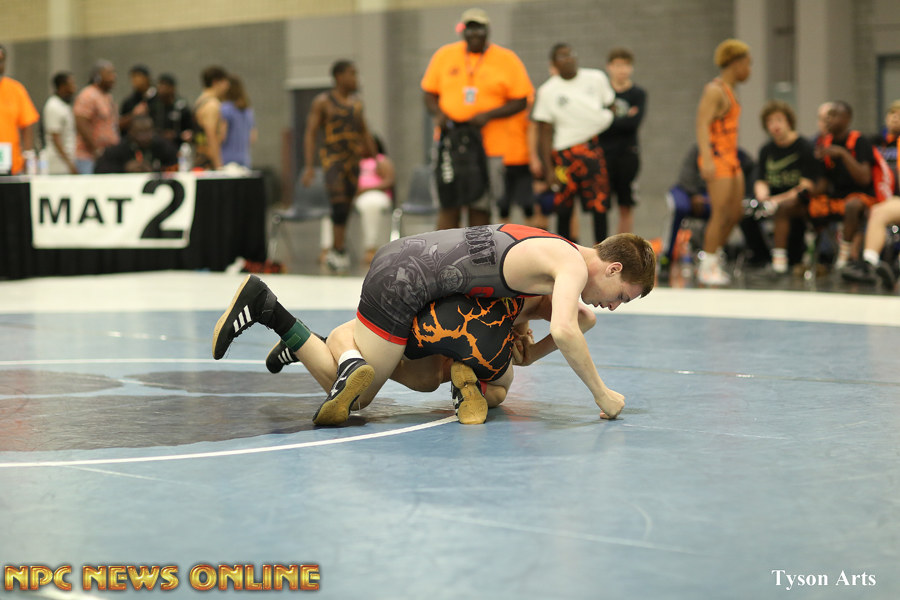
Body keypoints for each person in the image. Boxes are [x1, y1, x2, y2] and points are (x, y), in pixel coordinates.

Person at [212, 225, 657, 426]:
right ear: (613, 268)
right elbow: (565, 329)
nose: (614, 306)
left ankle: (323, 344)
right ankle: (268, 309)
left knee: (422, 377)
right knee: (358, 397)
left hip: (410, 261)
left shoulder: (556, 246)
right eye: (622, 296)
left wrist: (530, 352)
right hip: (405, 282)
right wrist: (602, 395)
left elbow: (581, 319)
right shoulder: (571, 265)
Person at [421, 7, 532, 230]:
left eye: (479, 28)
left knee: (480, 203)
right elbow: (428, 92)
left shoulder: (506, 59)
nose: (474, 34)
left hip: (489, 146)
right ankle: (444, 250)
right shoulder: (444, 55)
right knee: (449, 201)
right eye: (470, 28)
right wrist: (439, 114)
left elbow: (521, 100)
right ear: (462, 31)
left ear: (487, 31)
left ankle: (476, 250)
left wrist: (488, 115)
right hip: (450, 141)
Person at [532, 42, 615, 245]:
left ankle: (603, 254)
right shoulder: (547, 91)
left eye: (571, 54)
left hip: (592, 150)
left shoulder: (596, 78)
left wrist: (601, 119)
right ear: (553, 64)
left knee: (599, 207)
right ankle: (566, 253)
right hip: (564, 156)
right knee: (564, 208)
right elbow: (544, 132)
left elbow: (611, 106)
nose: (568, 59)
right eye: (562, 56)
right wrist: (548, 169)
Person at [302, 60, 375, 272]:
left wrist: (377, 159)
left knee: (347, 206)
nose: (356, 78)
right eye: (352, 74)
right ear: (339, 76)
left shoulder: (356, 104)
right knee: (338, 203)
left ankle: (339, 247)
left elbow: (364, 131)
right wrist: (309, 166)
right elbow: (311, 133)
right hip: (333, 160)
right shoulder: (323, 102)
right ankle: (337, 250)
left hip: (353, 161)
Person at [695, 39, 752, 285]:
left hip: (732, 159)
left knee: (735, 213)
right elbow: (701, 124)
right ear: (736, 63)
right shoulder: (714, 90)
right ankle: (707, 265)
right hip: (717, 158)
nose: (749, 70)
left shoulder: (730, 90)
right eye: (747, 64)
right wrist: (707, 160)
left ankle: (714, 255)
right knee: (719, 214)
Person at [753, 100, 820, 274]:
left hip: (800, 200)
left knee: (784, 209)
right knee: (746, 214)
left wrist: (776, 200)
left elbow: (807, 185)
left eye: (779, 120)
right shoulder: (766, 149)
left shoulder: (804, 146)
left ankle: (779, 261)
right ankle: (761, 258)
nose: (775, 125)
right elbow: (761, 180)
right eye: (770, 121)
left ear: (789, 122)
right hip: (774, 197)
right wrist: (763, 197)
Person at [811, 100, 879, 269]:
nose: (829, 119)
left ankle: (845, 255)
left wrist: (842, 154)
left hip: (863, 197)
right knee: (809, 205)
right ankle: (810, 257)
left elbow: (864, 179)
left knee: (852, 206)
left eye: (834, 115)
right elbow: (823, 181)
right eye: (827, 116)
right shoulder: (824, 143)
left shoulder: (859, 141)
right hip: (836, 197)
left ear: (847, 118)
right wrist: (807, 191)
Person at [599, 47, 647, 235]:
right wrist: (622, 118)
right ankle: (602, 247)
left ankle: (624, 246)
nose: (622, 70)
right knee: (601, 206)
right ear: (609, 67)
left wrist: (609, 118)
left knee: (626, 205)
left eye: (626, 65)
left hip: (628, 155)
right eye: (618, 65)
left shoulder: (638, 94)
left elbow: (633, 124)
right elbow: (597, 124)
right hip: (604, 155)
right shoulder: (602, 94)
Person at [73, 59, 119, 174]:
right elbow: (81, 123)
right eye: (109, 74)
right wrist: (96, 149)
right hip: (89, 157)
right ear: (97, 76)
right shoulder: (88, 95)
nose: (113, 77)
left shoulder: (106, 96)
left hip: (106, 156)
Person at [354, 135, 394, 266]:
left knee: (371, 203)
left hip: (378, 194)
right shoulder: (355, 162)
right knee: (334, 206)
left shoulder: (382, 161)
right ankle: (330, 248)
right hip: (357, 197)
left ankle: (371, 247)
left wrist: (367, 189)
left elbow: (390, 181)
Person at [0, 44, 40, 176]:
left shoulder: (16, 90)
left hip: (11, 165)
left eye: (1, 61)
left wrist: (27, 155)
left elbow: (27, 125)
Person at [94, 114, 177, 173]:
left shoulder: (163, 146)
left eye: (147, 132)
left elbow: (175, 168)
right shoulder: (119, 148)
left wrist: (154, 170)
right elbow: (99, 169)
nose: (144, 137)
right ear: (130, 132)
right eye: (139, 133)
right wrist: (124, 168)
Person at [40, 71, 78, 174]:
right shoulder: (53, 106)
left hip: (66, 161)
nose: (74, 87)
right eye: (71, 84)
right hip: (57, 164)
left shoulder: (64, 105)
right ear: (62, 86)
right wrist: (69, 164)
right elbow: (55, 137)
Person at [193, 65, 229, 170]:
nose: (227, 87)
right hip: (207, 162)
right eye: (225, 82)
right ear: (216, 82)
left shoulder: (199, 101)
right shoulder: (212, 105)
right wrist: (218, 165)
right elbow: (211, 136)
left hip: (201, 158)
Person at [220, 74, 256, 168]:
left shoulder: (225, 108)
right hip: (244, 159)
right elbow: (252, 138)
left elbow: (222, 136)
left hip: (227, 159)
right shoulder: (248, 111)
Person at [148, 73, 192, 146]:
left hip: (177, 145)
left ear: (172, 88)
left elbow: (189, 130)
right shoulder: (153, 106)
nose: (161, 89)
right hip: (157, 144)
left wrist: (177, 135)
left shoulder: (181, 107)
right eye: (159, 85)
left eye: (164, 86)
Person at [119, 64, 154, 134]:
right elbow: (119, 126)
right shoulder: (128, 101)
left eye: (138, 76)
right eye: (133, 77)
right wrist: (134, 114)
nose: (135, 80)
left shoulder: (158, 98)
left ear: (147, 78)